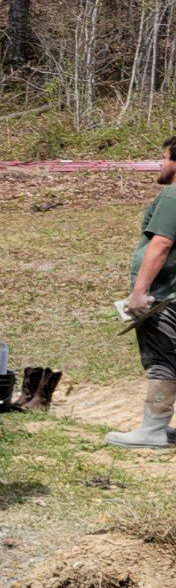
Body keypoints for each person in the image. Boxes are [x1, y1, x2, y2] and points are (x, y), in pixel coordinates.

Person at [107, 135, 176, 449]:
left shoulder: (174, 196)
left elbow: (160, 245)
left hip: (165, 297)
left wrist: (139, 292)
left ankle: (152, 431)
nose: (160, 164)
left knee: (163, 361)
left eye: (164, 157)